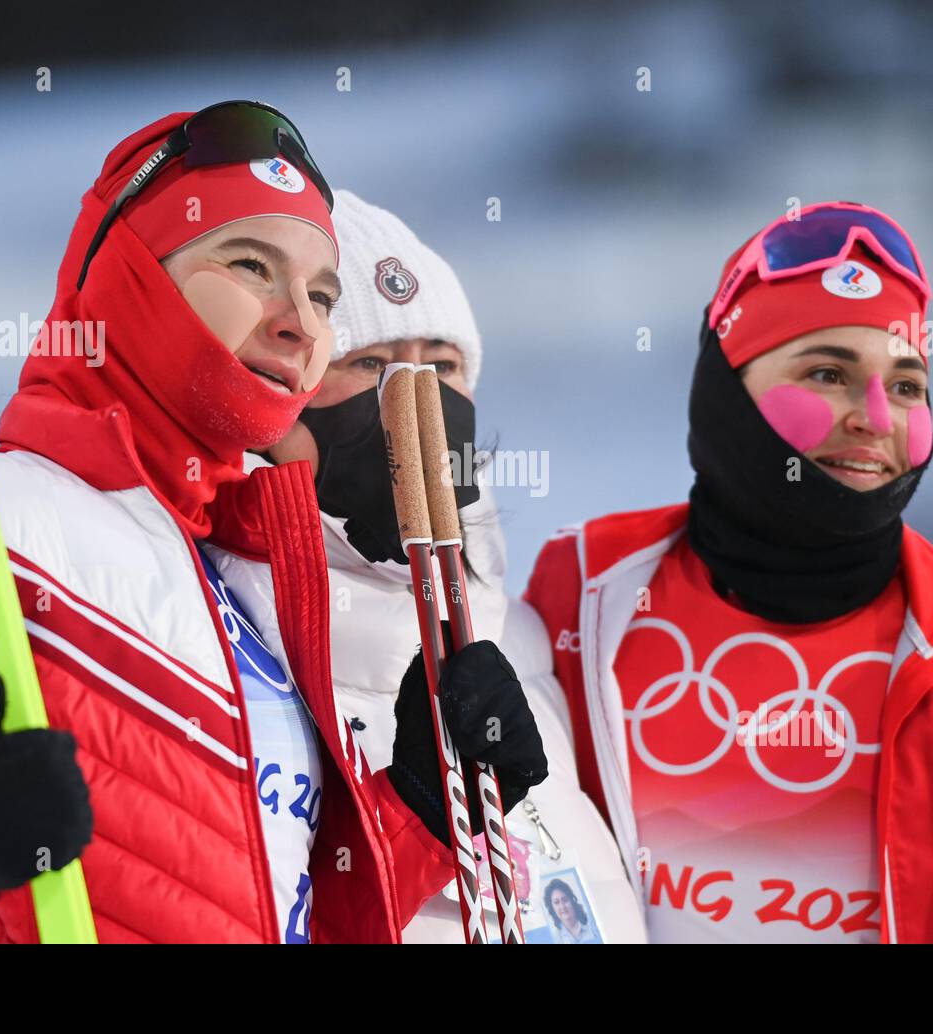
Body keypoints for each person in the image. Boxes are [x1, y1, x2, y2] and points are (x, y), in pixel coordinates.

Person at [0, 102, 544, 943]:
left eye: (321, 295)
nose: (300, 320)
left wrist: (418, 811)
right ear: (130, 274)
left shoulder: (246, 578)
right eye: (251, 264)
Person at [525, 201, 933, 944]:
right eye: (827, 372)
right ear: (726, 393)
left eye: (908, 385)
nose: (876, 416)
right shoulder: (587, 595)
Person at [257, 190, 646, 943]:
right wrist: (408, 812)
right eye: (367, 363)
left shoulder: (522, 633)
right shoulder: (235, 634)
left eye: (441, 365)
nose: (416, 401)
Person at [543, 878, 599, 944]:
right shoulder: (555, 938)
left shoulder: (593, 925)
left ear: (572, 900)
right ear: (552, 908)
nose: (562, 906)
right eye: (556, 902)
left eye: (565, 900)